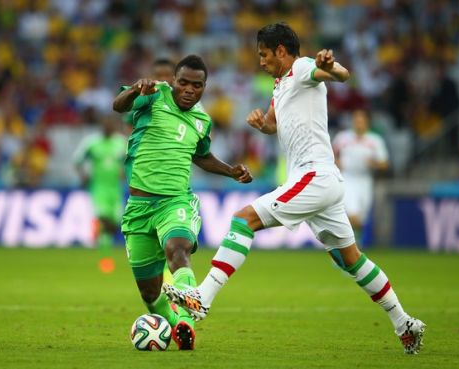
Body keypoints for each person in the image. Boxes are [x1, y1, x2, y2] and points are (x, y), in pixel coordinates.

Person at [163, 23, 425, 355]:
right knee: (350, 260)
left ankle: (201, 299)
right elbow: (275, 124)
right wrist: (264, 124)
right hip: (323, 181)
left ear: (282, 52)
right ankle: (404, 323)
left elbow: (340, 75)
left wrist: (332, 67)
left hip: (313, 177)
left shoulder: (301, 68)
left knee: (244, 220)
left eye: (264, 54)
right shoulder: (281, 84)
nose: (260, 61)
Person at [112, 55, 252, 350]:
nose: (189, 89)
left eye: (197, 85)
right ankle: (180, 327)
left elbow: (201, 155)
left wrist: (230, 170)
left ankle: (191, 301)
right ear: (173, 81)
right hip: (138, 208)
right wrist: (136, 89)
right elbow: (118, 105)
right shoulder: (154, 96)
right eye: (183, 82)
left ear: (204, 88)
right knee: (150, 293)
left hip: (175, 201)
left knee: (178, 248)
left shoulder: (202, 120)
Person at [73, 116, 126, 273]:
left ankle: (102, 246)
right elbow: (77, 160)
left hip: (116, 190)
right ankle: (105, 259)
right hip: (98, 190)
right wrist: (83, 176)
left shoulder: (121, 142)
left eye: (110, 123)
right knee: (105, 220)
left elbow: (131, 160)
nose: (108, 126)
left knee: (114, 224)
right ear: (101, 126)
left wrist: (124, 172)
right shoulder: (92, 143)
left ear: (114, 126)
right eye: (105, 123)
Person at [332, 109, 389, 246]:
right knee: (352, 215)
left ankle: (353, 248)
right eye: (356, 120)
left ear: (367, 122)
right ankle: (345, 250)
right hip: (347, 179)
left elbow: (385, 164)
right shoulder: (342, 138)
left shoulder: (375, 141)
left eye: (361, 120)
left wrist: (373, 163)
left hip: (365, 181)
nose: (358, 123)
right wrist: (336, 163)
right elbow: (330, 155)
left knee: (360, 222)